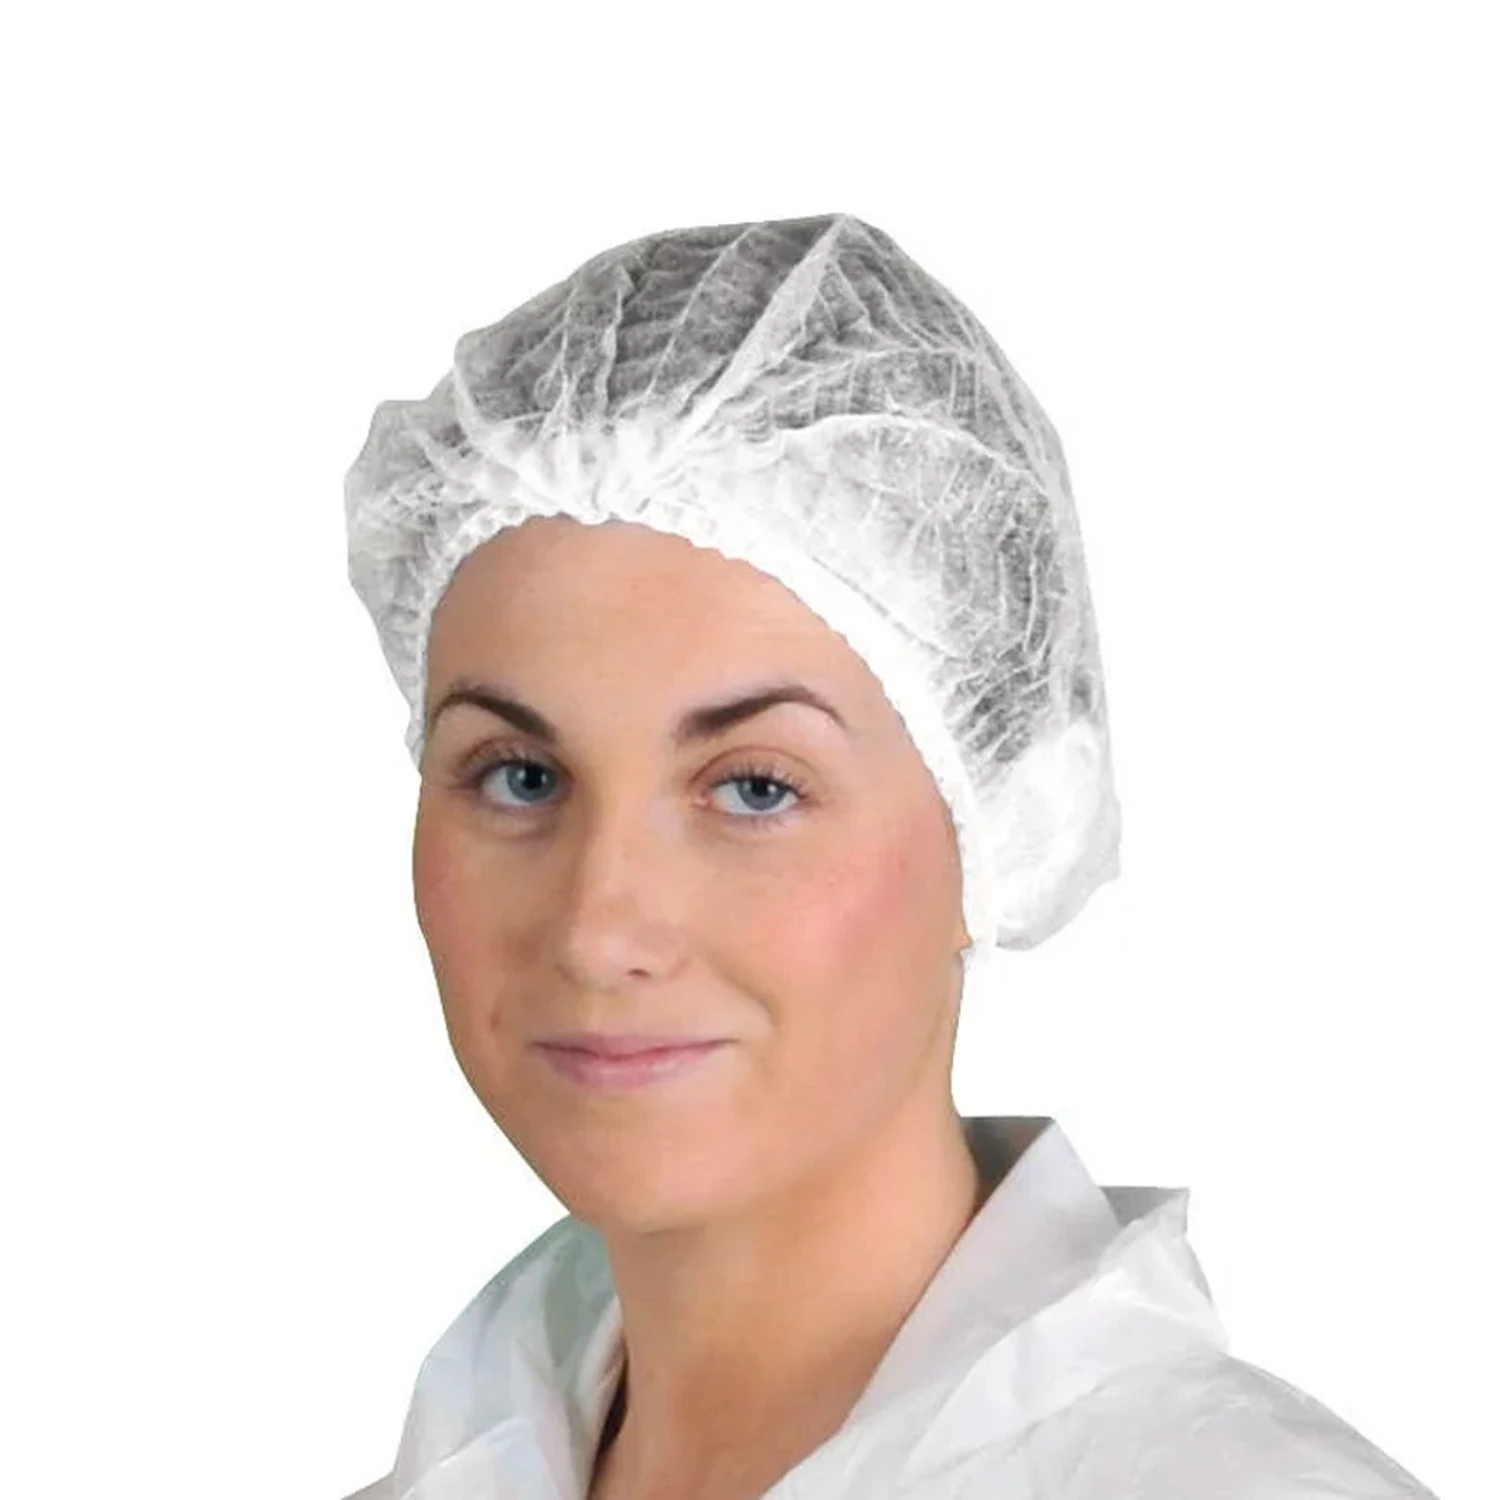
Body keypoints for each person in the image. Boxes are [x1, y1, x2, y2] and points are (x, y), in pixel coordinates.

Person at [338, 213, 1438, 1499]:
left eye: (755, 789)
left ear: (1007, 822)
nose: (598, 930)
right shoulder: (476, 1447)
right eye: (520, 776)